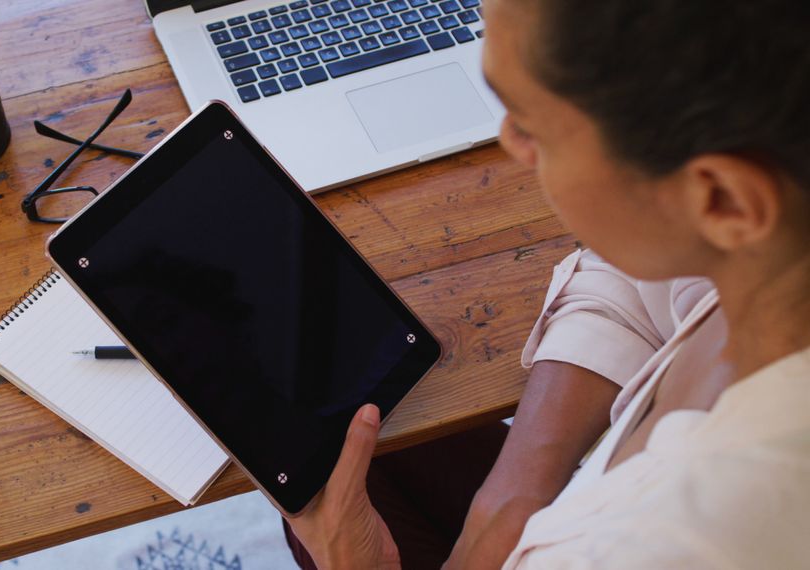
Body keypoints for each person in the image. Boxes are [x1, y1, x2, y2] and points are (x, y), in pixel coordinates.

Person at [284, 0, 810, 567]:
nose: (508, 142)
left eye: (530, 124)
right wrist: (507, 502)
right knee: (351, 438)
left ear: (723, 198)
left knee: (315, 500)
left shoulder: (668, 543)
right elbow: (639, 272)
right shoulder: (773, 237)